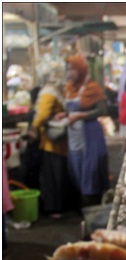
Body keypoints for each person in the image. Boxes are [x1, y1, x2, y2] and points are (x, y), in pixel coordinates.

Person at [56, 55, 110, 207]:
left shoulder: (93, 87)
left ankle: (94, 209)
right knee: (78, 171)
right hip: (74, 137)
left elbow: (102, 110)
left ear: (81, 69)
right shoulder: (69, 88)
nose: (70, 73)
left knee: (91, 172)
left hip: (90, 135)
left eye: (73, 69)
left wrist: (81, 116)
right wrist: (65, 115)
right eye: (68, 69)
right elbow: (70, 109)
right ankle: (85, 210)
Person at [28, 64, 76, 217]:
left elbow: (41, 115)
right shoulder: (58, 91)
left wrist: (33, 129)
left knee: (52, 177)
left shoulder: (48, 93)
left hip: (51, 142)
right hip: (60, 142)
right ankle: (62, 205)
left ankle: (55, 208)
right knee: (59, 174)